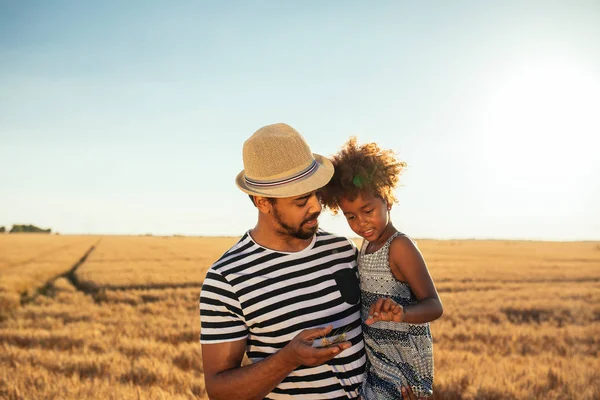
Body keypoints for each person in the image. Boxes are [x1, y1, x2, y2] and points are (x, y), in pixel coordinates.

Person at [199, 123, 424, 400]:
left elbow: (396, 318)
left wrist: (404, 381)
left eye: (316, 193)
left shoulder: (342, 249)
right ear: (263, 202)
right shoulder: (227, 279)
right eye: (301, 200)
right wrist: (288, 359)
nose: (317, 206)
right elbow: (220, 392)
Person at [321, 137, 444, 399]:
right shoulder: (364, 246)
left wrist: (401, 313)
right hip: (376, 361)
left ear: (387, 201)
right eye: (350, 216)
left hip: (403, 368)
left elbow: (434, 305)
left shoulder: (399, 246)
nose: (361, 223)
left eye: (368, 211)